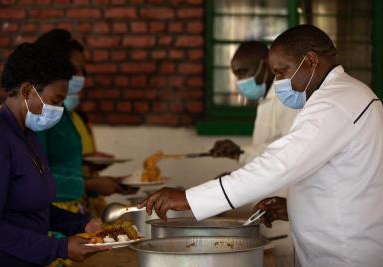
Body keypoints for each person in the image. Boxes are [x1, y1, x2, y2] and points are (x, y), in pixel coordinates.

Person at [139, 24, 383, 267]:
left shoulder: (334, 104)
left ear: (310, 61)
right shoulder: (347, 95)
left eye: (281, 72)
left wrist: (189, 200)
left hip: (346, 255)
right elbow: (343, 183)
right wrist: (295, 208)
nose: (278, 83)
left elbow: (277, 165)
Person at [0, 42, 107, 267]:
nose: (59, 110)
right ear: (28, 91)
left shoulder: (27, 135)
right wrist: (59, 247)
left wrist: (81, 223)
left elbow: (35, 208)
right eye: (56, 101)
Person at [34, 29, 136, 216]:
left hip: (73, 212)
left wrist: (95, 177)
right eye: (74, 69)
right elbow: (34, 178)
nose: (81, 75)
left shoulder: (62, 111)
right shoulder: (37, 114)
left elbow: (61, 165)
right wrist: (92, 184)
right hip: (53, 215)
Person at [210, 41, 298, 163]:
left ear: (267, 65)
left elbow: (288, 151)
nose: (240, 81)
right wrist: (239, 152)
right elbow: (266, 148)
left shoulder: (289, 98)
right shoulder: (265, 97)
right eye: (237, 75)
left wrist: (242, 153)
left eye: (243, 72)